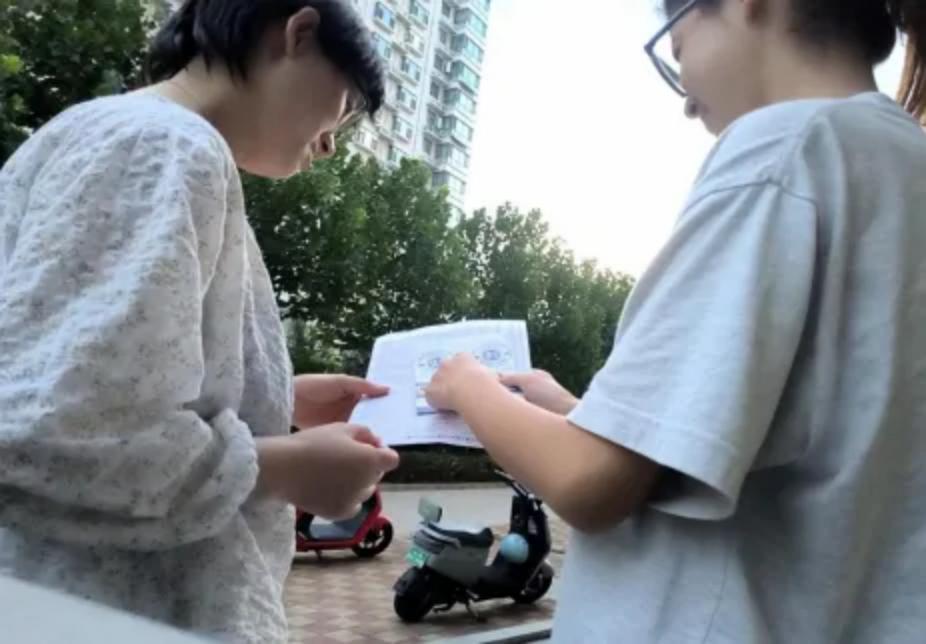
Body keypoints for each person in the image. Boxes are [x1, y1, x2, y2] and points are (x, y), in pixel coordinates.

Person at [425, 1, 926, 642]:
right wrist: (581, 413)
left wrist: (468, 386)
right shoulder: (899, 165)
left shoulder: (785, 151)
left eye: (676, 46)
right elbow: (811, 445)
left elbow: (592, 483)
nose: (686, 100)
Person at [0, 1, 399, 642]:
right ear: (298, 34)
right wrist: (282, 467)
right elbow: (56, 432)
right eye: (344, 109)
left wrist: (280, 400)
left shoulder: (124, 136)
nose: (330, 143)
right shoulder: (163, 146)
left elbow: (96, 376)